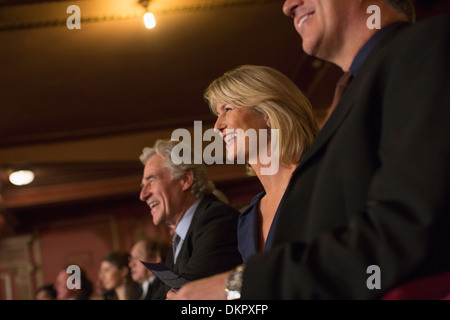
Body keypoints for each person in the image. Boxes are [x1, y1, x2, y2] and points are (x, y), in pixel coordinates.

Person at [168, 0, 450, 299]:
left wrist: (237, 286)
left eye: (227, 108)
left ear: (268, 110)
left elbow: (407, 231)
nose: (288, 6)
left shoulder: (425, 46)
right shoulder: (352, 95)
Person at [139, 139, 243, 299]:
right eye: (143, 186)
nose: (143, 195)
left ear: (185, 179)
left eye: (151, 181)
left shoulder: (218, 220)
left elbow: (189, 294)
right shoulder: (179, 238)